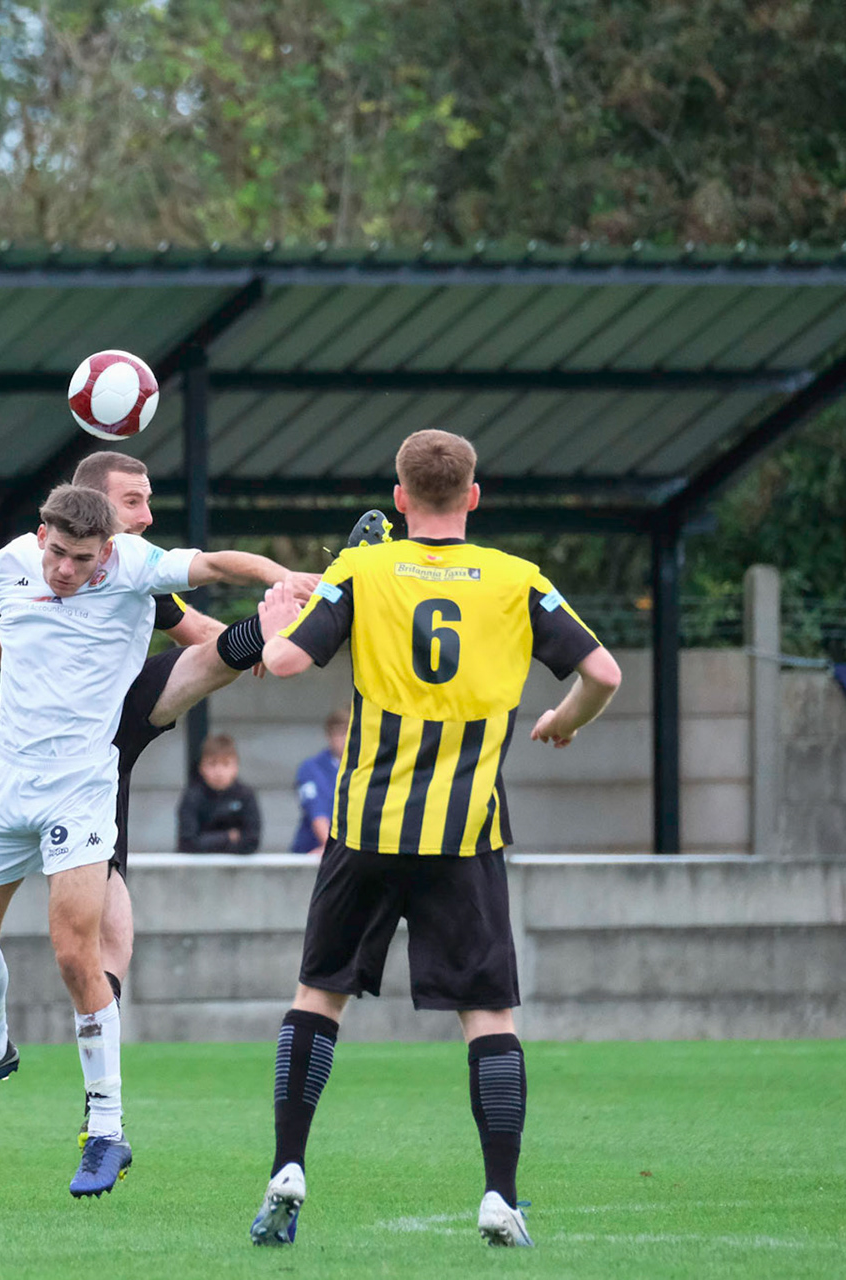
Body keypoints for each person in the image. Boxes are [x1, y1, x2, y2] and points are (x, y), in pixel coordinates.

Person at [0, 484, 291, 1198]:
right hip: (6, 784)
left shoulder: (136, 564)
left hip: (82, 787)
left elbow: (215, 565)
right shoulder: (13, 561)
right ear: (41, 533)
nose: (65, 569)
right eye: (57, 553)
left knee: (77, 956)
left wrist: (276, 577)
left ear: (105, 552)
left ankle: (106, 1131)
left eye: (81, 558)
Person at [244, 429, 623, 1250]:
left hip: (365, 828)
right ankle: (500, 1195)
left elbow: (281, 662)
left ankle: (288, 1167)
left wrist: (279, 619)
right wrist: (563, 720)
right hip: (466, 833)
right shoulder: (518, 580)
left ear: (401, 496)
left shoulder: (363, 568)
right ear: (474, 497)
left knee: (320, 996)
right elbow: (605, 673)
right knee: (489, 1015)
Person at [178, 734, 262, 854]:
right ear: (202, 767)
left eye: (225, 764)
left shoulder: (246, 796)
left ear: (236, 767)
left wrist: (206, 841)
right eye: (212, 764)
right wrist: (228, 836)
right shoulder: (192, 796)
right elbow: (188, 843)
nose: (219, 772)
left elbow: (252, 841)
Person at [291, 712, 350, 853]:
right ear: (329, 736)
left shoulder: (367, 767)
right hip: (313, 851)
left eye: (351, 732)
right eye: (341, 733)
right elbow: (317, 812)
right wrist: (333, 850)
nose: (346, 738)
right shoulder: (311, 768)